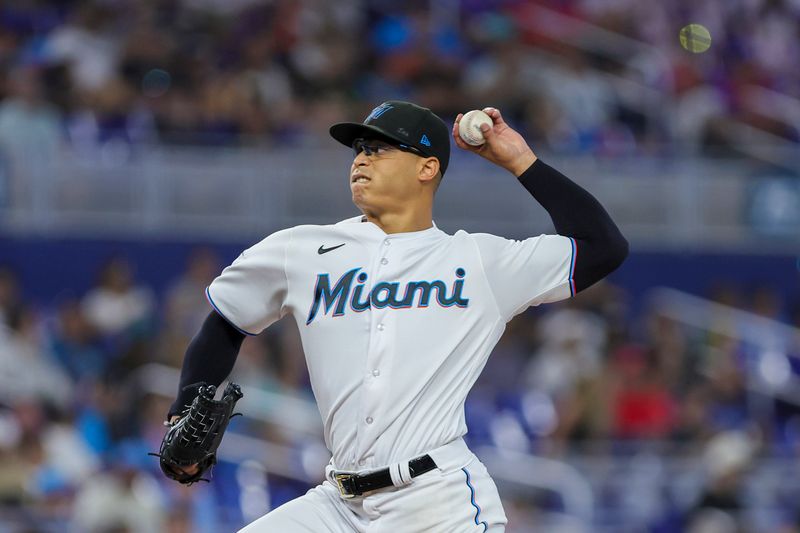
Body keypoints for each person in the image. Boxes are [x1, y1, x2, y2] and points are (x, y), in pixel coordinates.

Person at [165, 101, 628, 532]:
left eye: (379, 149)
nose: (360, 159)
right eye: (359, 149)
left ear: (427, 168)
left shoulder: (479, 261)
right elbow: (225, 322)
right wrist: (182, 413)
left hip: (438, 503)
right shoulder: (300, 249)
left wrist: (520, 160)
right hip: (337, 504)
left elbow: (602, 246)